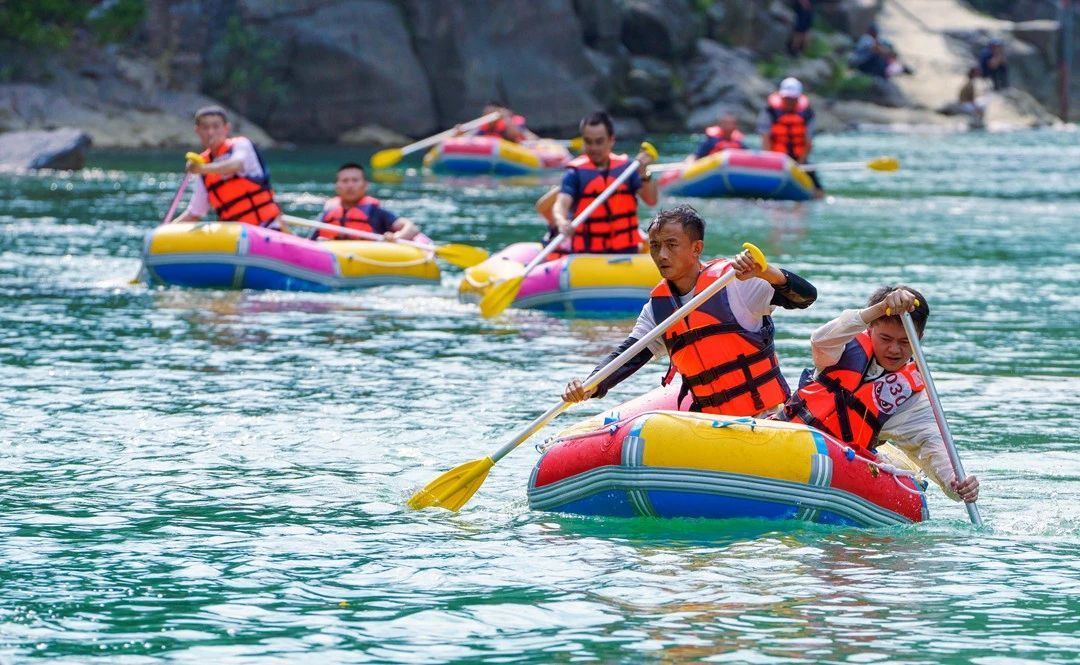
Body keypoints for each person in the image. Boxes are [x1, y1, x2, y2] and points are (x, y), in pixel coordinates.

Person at [562, 205, 817, 417]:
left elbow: (806, 298)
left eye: (671, 245)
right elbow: (628, 357)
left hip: (766, 416)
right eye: (654, 246)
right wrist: (590, 385)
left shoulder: (736, 282)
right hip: (708, 425)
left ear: (696, 248)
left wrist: (766, 272)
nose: (661, 255)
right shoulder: (658, 309)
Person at [774, 286, 980, 504]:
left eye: (904, 342)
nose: (894, 349)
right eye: (886, 338)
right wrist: (880, 308)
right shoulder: (841, 347)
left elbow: (931, 446)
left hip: (841, 468)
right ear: (870, 329)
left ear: (919, 338)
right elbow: (820, 339)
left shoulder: (912, 398)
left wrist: (956, 483)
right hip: (790, 439)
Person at [547, 111, 659, 254]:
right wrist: (561, 221)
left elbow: (651, 200)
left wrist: (644, 173)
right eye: (588, 141)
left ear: (611, 140)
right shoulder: (574, 174)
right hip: (588, 255)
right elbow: (561, 204)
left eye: (599, 141)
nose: (594, 148)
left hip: (627, 252)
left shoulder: (627, 169)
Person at [171, 106, 282, 228]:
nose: (210, 132)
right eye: (205, 127)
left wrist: (202, 169)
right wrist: (164, 231)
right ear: (197, 130)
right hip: (233, 235)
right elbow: (195, 213)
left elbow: (236, 164)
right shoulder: (203, 163)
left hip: (266, 227)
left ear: (226, 128)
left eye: (215, 126)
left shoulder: (241, 145)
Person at [316, 163, 420, 241]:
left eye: (355, 180)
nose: (350, 185)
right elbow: (310, 241)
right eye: (345, 181)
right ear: (337, 186)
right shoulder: (328, 211)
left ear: (365, 185)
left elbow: (412, 228)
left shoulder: (376, 211)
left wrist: (396, 238)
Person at [758, 77, 824, 197]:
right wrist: (771, 160)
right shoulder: (770, 111)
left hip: (798, 159)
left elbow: (808, 141)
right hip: (776, 158)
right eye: (786, 98)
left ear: (798, 98)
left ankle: (818, 195)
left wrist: (800, 162)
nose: (789, 102)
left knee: (816, 186)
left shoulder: (807, 114)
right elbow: (765, 137)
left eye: (792, 99)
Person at [473, 102, 538, 143]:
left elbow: (515, 134)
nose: (488, 116)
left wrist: (506, 117)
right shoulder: (483, 127)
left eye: (490, 113)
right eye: (486, 114)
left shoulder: (512, 122)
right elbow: (471, 138)